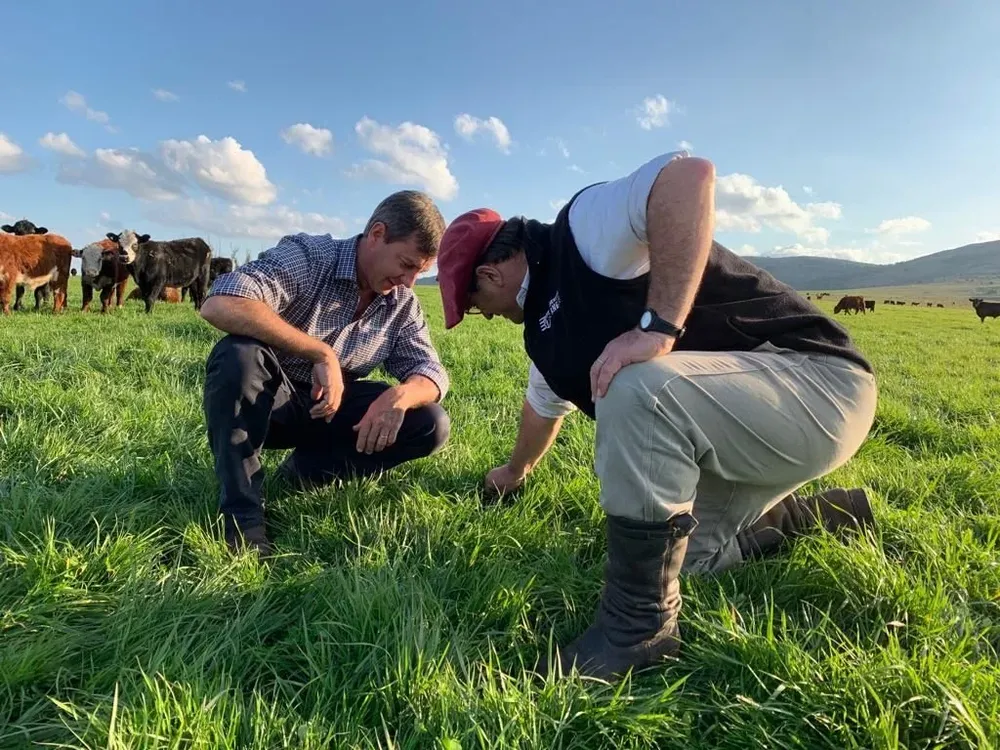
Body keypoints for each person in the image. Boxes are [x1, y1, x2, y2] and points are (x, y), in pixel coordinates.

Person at [434, 151, 878, 682]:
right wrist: (514, 473)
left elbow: (687, 176)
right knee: (685, 561)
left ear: (490, 272)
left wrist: (658, 326)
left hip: (820, 385)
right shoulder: (548, 331)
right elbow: (542, 403)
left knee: (636, 385)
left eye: (476, 302)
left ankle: (639, 629)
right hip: (759, 430)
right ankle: (817, 515)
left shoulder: (583, 232)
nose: (486, 315)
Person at [201, 190, 452, 557]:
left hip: (332, 408)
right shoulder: (309, 256)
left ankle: (306, 471)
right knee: (238, 355)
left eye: (420, 271)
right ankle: (243, 515)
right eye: (406, 264)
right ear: (377, 234)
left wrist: (399, 396)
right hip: (270, 400)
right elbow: (221, 303)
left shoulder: (402, 304)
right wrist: (320, 353)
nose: (410, 281)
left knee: (430, 421)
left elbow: (431, 371)